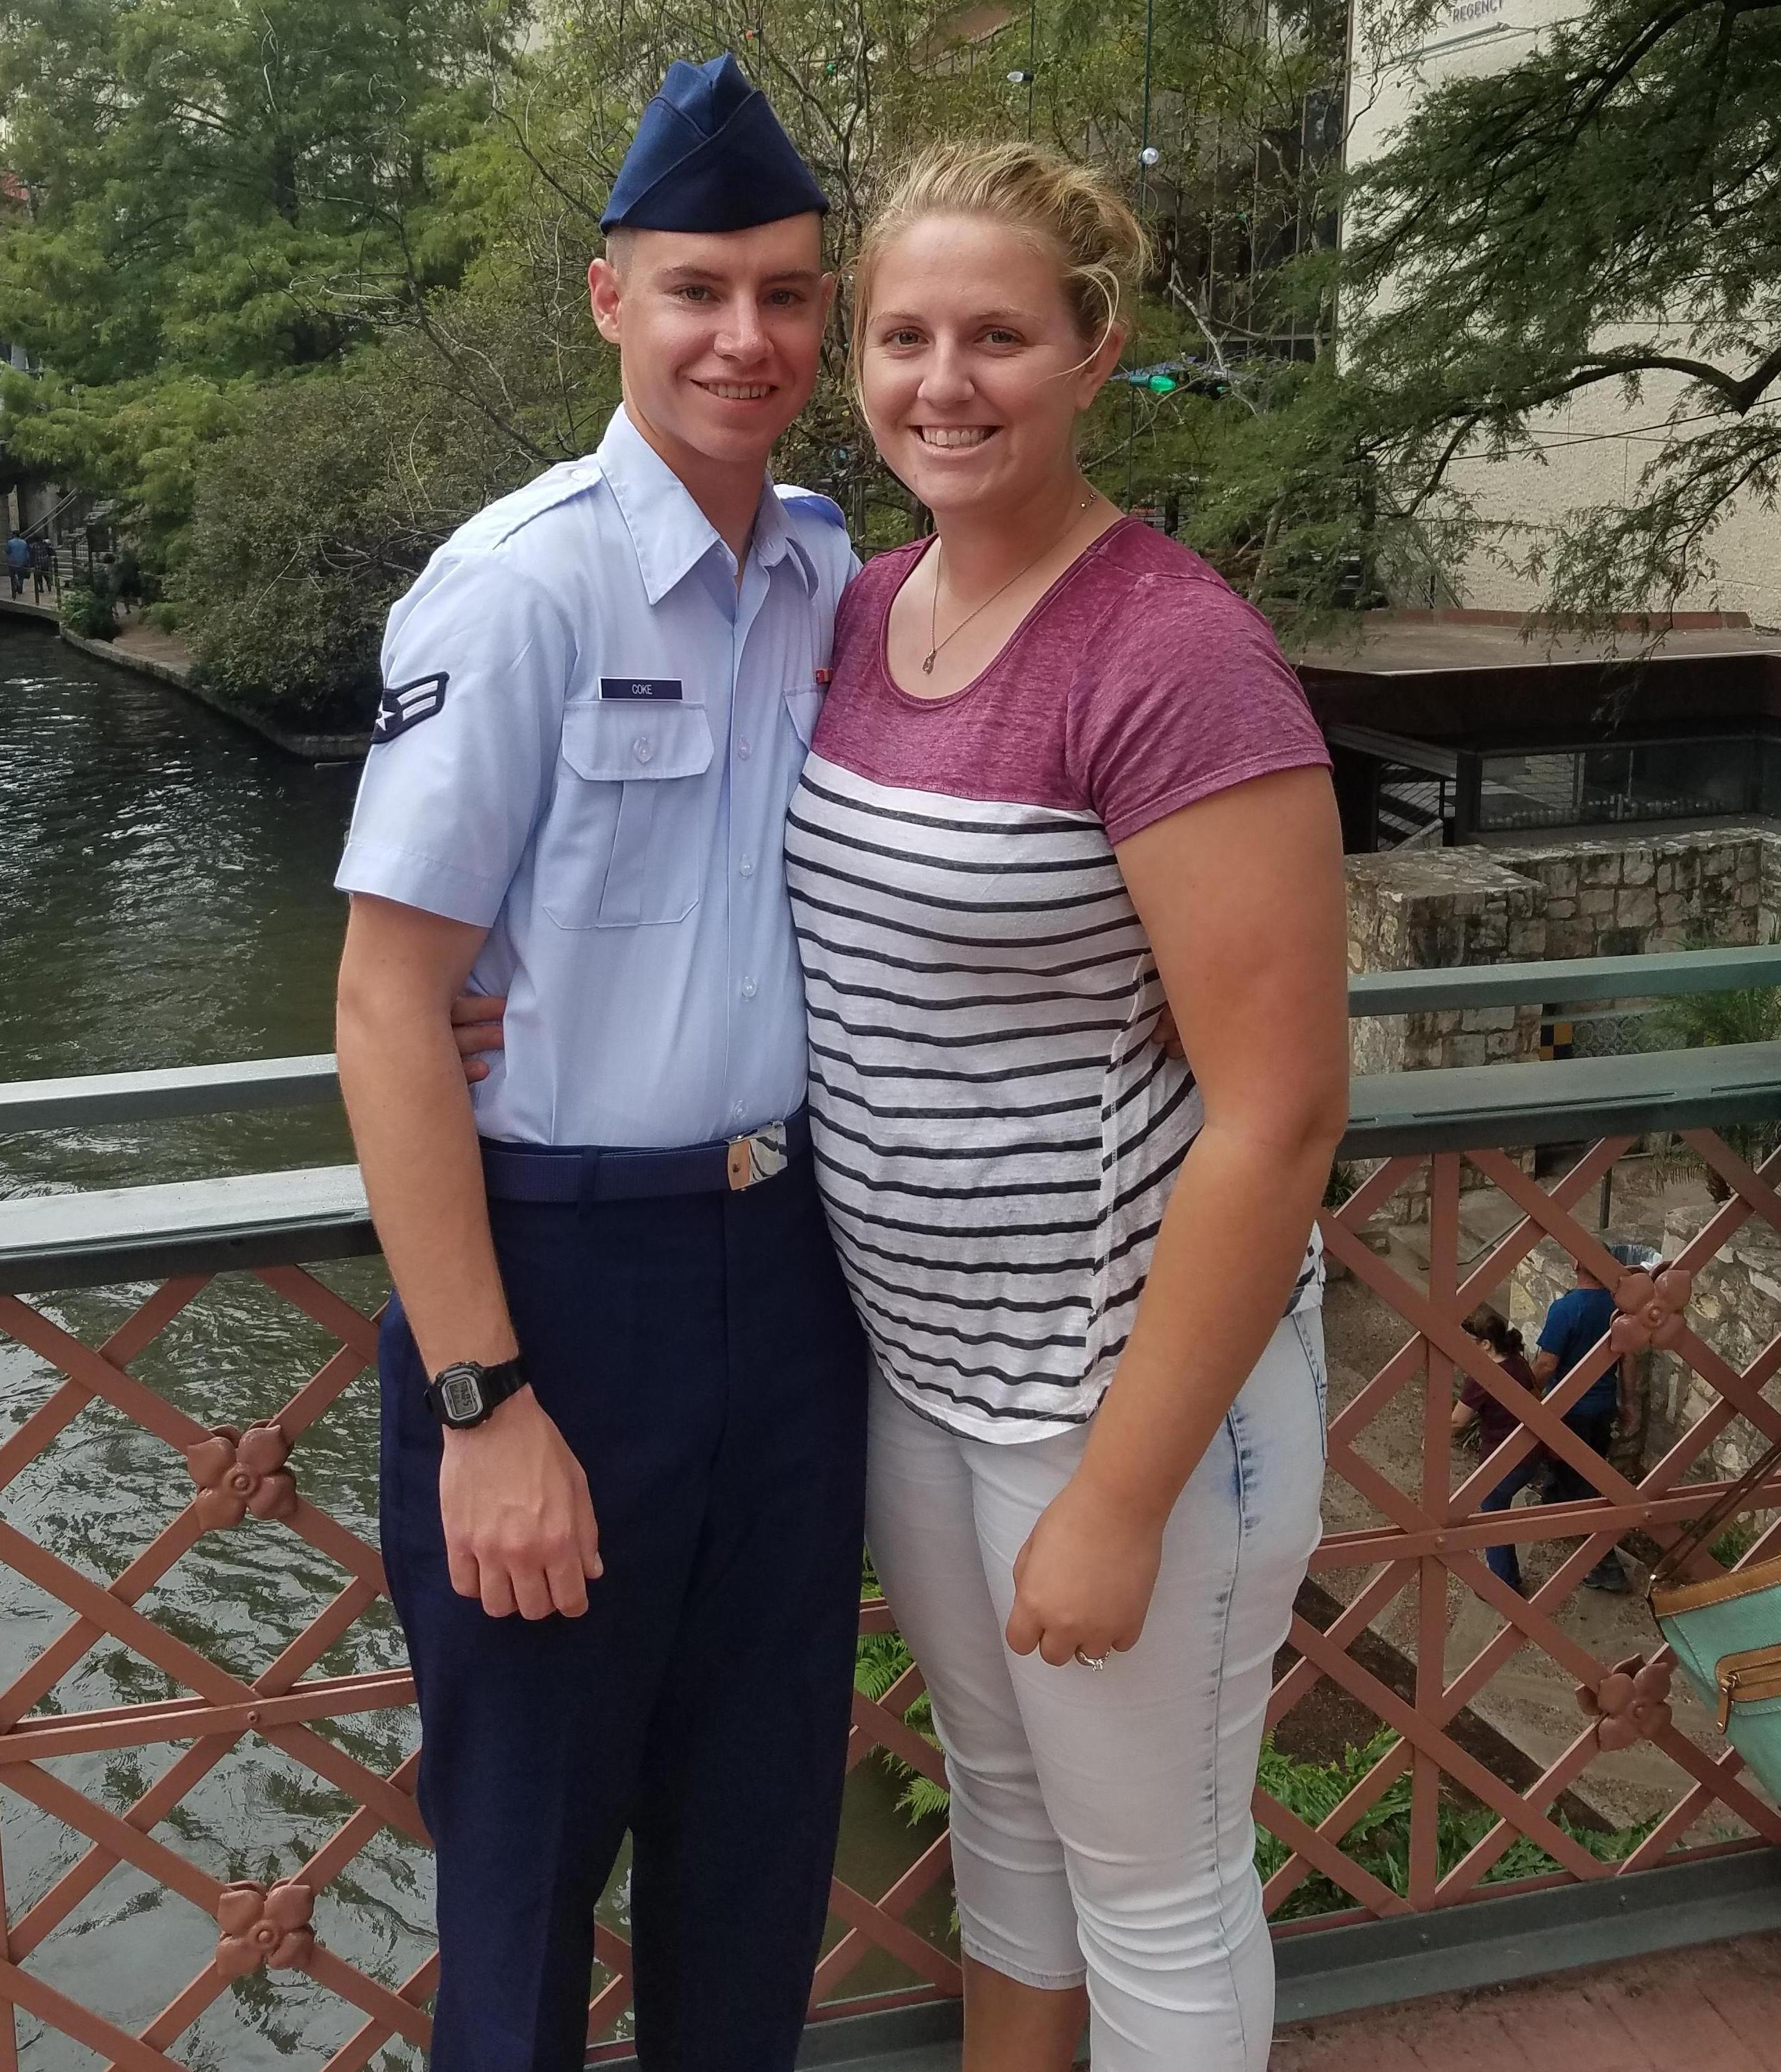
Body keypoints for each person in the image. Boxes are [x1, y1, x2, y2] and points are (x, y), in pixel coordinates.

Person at [784, 141, 1346, 2070]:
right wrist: (489, 1003)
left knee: (1160, 1890)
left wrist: (1115, 1497)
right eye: (906, 334)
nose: (945, 381)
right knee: (1006, 1825)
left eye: (1000, 336)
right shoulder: (857, 615)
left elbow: (1278, 1113)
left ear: (1094, 352)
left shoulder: (1173, 657)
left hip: (1129, 1415)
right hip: (926, 1371)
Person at [332, 56, 868, 2072]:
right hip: (560, 1293)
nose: (746, 336)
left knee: (752, 1878)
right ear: (605, 298)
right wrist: (482, 1401)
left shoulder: (828, 574)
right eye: (698, 289)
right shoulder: (519, 582)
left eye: (787, 294)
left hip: (789, 1286)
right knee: (523, 1896)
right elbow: (387, 1000)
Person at [1532, 1259, 1637, 1592]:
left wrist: (1528, 1395)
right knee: (1585, 1470)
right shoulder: (1618, 1309)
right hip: (1602, 1407)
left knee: (1581, 1486)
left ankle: (1607, 1567)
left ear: (1576, 1265)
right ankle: (1553, 1507)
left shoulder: (1566, 1308)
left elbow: (1547, 1363)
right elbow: (1628, 1358)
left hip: (1569, 1410)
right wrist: (1627, 1402)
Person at [1454, 1303, 1546, 1592]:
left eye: (1471, 1342)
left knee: (1492, 1516)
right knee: (1500, 1515)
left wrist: (1431, 1436)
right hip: (1528, 1453)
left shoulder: (1482, 1377)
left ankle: (1503, 1584)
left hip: (1501, 1459)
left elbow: (1457, 1420)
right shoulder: (1517, 1362)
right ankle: (1508, 1577)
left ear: (1485, 1344)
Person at [4, 526, 31, 597]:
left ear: (14, 535)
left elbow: (7, 551)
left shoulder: (10, 542)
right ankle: (20, 587)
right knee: (21, 576)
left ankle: (17, 585)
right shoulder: (24, 542)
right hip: (22, 561)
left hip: (13, 561)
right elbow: (27, 553)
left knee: (13, 575)